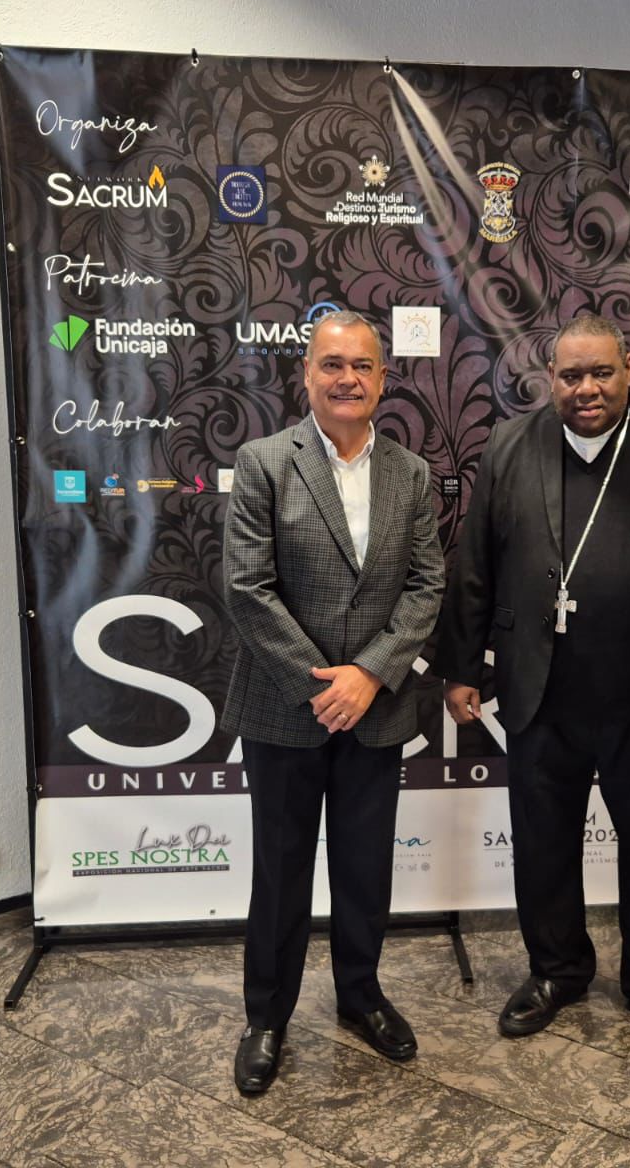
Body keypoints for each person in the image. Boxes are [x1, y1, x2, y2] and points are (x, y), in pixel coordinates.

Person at [434, 313, 630, 1061]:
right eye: (571, 375)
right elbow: (475, 566)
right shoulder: (510, 446)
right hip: (542, 693)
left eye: (601, 372)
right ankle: (557, 970)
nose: (586, 389)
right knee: (542, 843)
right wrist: (462, 668)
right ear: (551, 378)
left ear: (628, 368)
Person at [222, 310, 444, 1093]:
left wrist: (370, 675)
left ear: (383, 379)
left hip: (376, 710)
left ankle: (361, 997)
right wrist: (325, 684)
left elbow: (427, 586)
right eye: (332, 364)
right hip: (286, 710)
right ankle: (267, 1017)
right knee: (280, 873)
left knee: (363, 867)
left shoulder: (412, 474)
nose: (347, 378)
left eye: (362, 366)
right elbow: (247, 588)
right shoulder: (262, 463)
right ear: (306, 375)